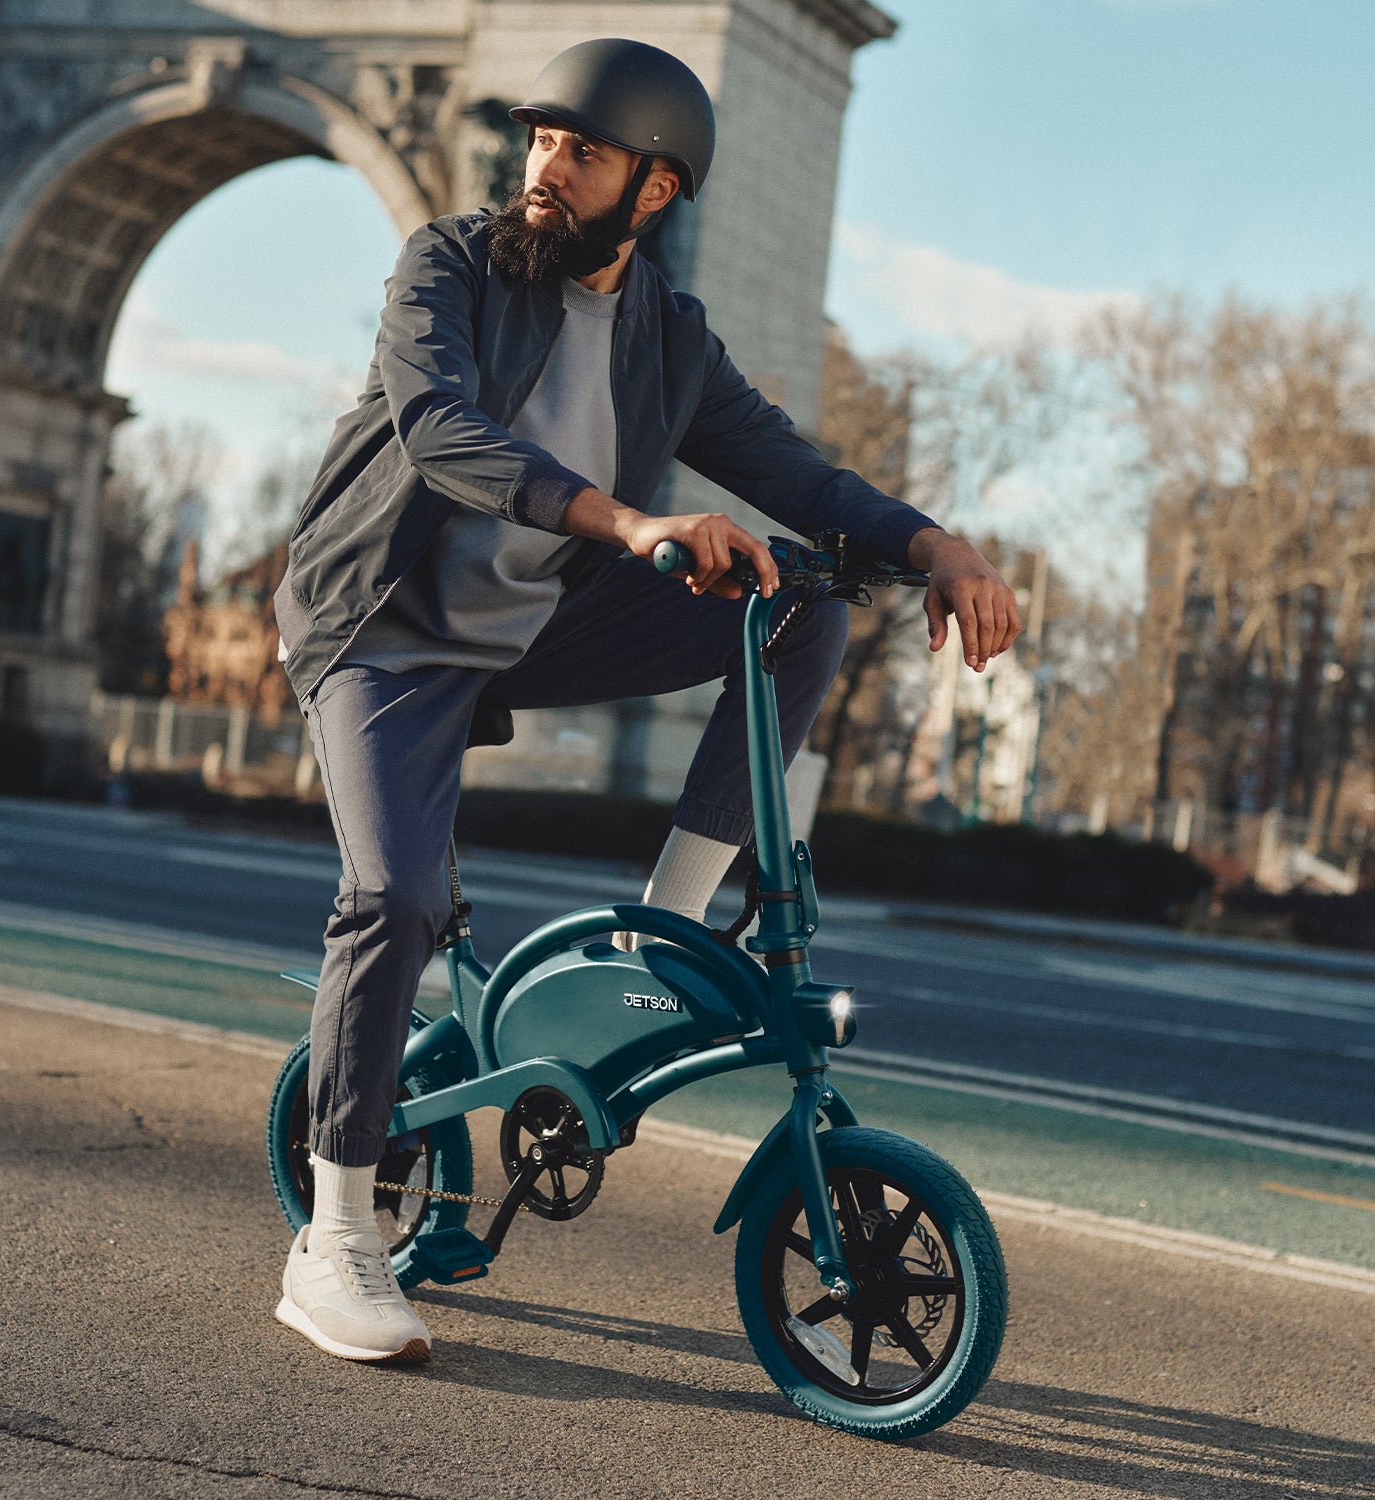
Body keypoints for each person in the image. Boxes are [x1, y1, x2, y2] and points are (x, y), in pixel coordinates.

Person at [271, 38, 1020, 1364]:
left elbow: (797, 471)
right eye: (541, 141)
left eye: (584, 152)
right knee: (390, 900)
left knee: (803, 597)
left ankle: (660, 935)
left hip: (533, 632)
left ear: (657, 189)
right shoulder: (444, 263)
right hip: (384, 636)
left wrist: (937, 548)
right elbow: (439, 427)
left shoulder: (670, 340)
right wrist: (627, 521)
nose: (546, 171)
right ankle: (331, 1241)